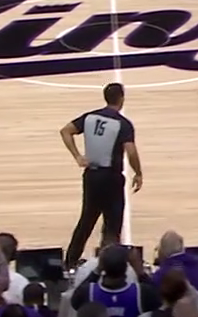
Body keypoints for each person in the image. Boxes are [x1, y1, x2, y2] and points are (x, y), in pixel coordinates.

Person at [60, 82, 144, 267]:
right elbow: (131, 152)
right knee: (112, 224)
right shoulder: (123, 124)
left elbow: (65, 131)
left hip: (91, 176)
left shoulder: (90, 117)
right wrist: (138, 173)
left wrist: (77, 156)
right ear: (121, 99)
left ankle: (70, 261)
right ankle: (109, 264)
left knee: (87, 220)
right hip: (112, 178)